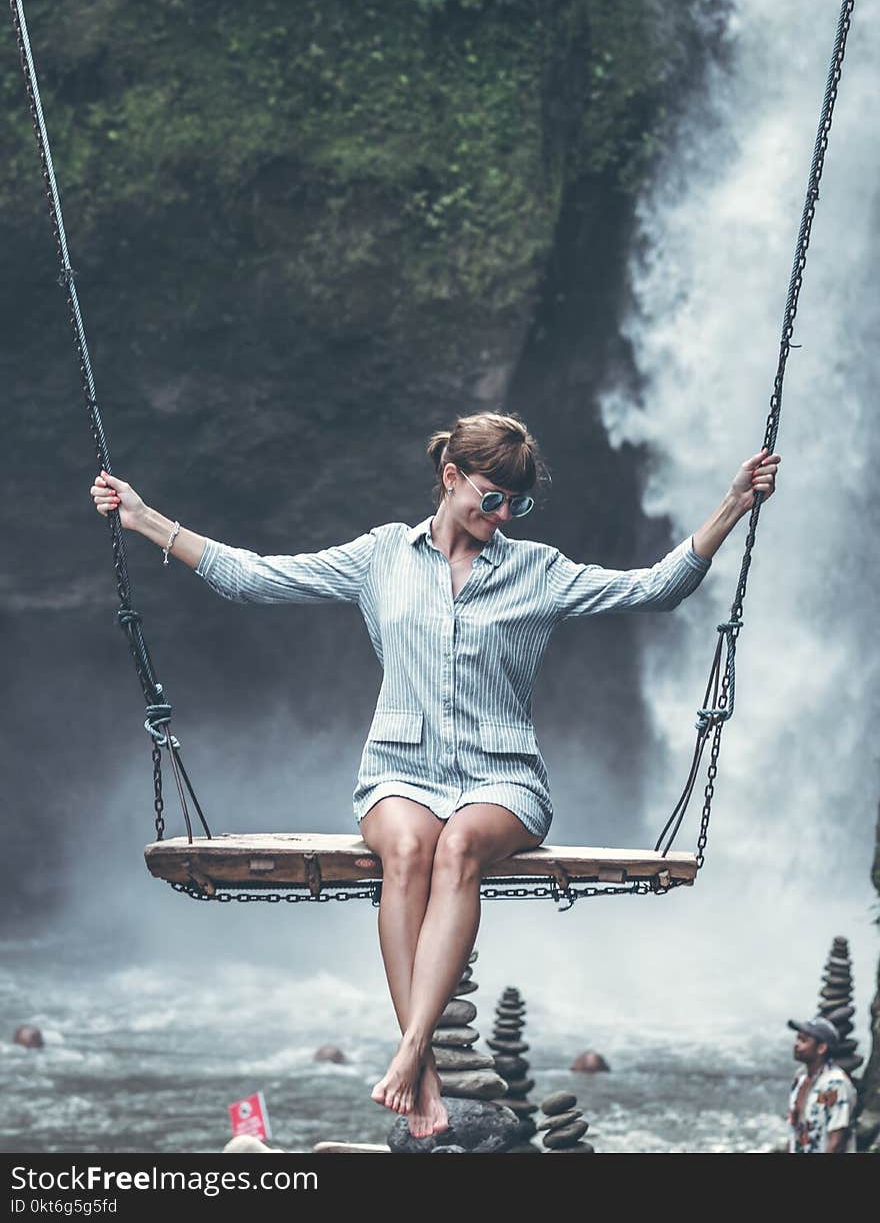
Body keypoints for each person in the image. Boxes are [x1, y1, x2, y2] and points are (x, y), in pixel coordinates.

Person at [89, 410, 780, 1138]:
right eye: (493, 497)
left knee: (456, 848)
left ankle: (412, 1054)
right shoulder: (381, 557)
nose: (504, 514)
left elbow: (655, 589)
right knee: (410, 850)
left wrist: (733, 502)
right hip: (398, 770)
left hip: (503, 778)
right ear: (451, 479)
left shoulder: (538, 571)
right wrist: (143, 519)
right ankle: (419, 1072)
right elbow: (254, 578)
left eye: (518, 503)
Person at [786, 1016, 857, 1153]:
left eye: (803, 1040)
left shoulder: (834, 1084)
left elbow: (836, 1141)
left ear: (821, 1048)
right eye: (797, 1038)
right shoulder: (800, 1078)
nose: (796, 1044)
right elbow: (794, 1131)